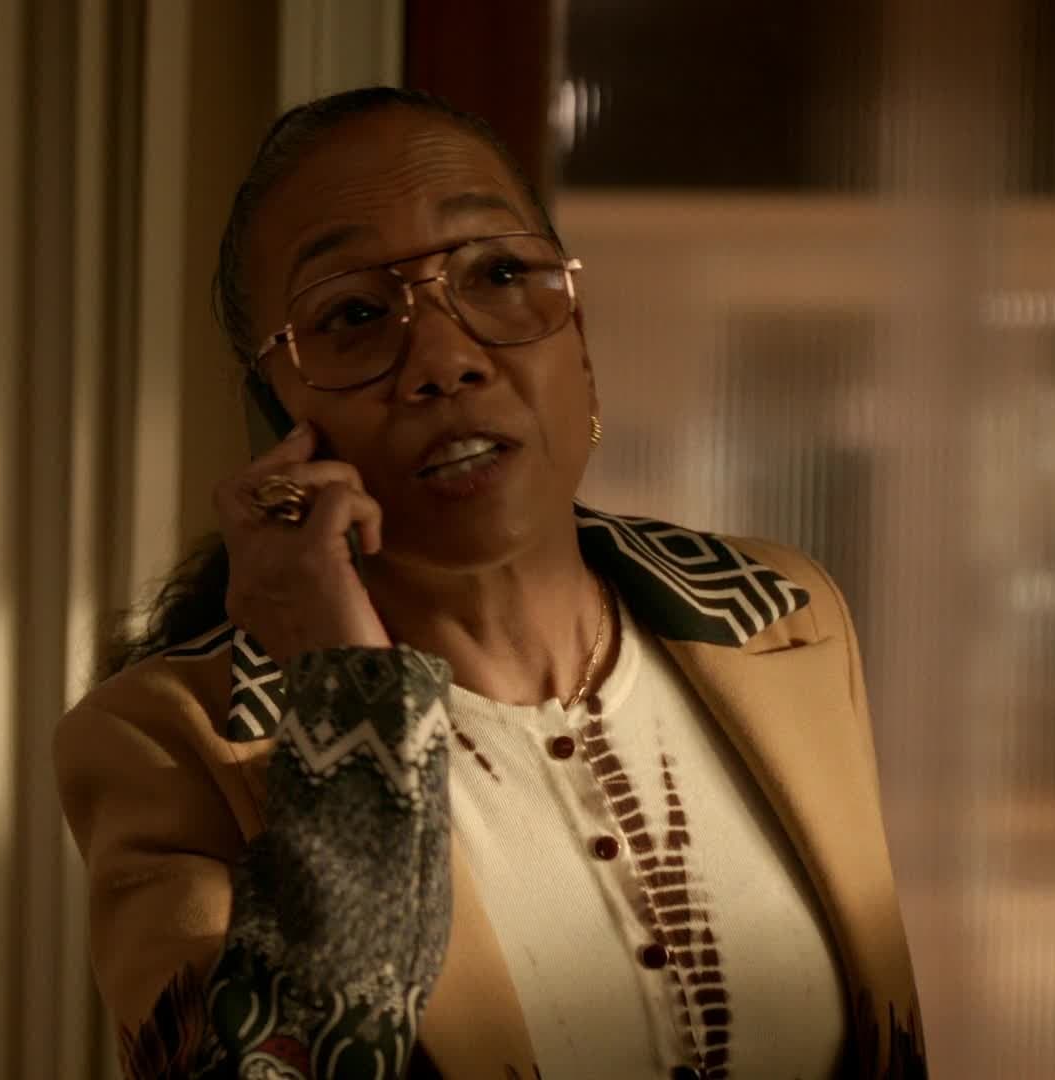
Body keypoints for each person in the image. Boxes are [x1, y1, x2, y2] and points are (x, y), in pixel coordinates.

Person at [56, 87, 924, 1080]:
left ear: (578, 343)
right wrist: (346, 697)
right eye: (353, 314)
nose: (444, 358)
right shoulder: (169, 742)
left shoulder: (778, 617)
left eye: (500, 273)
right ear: (280, 423)